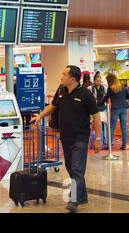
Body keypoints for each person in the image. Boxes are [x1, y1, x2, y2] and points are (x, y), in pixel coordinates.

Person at [31, 65, 101, 213]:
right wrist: (40, 116)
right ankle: (82, 196)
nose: (61, 76)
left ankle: (74, 200)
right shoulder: (61, 90)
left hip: (80, 137)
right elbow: (53, 106)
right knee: (71, 167)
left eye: (64, 74)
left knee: (76, 168)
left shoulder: (85, 94)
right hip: (65, 136)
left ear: (73, 78)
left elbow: (96, 116)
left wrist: (98, 138)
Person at [98, 73, 129, 150]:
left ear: (110, 80)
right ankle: (124, 145)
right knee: (124, 127)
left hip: (115, 108)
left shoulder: (111, 88)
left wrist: (98, 104)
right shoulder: (123, 87)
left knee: (112, 127)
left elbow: (106, 98)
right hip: (124, 108)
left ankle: (109, 145)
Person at [89, 75, 108, 148]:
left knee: (103, 125)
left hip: (102, 108)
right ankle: (91, 140)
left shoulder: (104, 88)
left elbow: (106, 97)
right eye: (97, 81)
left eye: (100, 81)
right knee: (92, 125)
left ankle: (105, 140)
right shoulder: (90, 88)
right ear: (94, 81)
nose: (99, 82)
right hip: (94, 109)